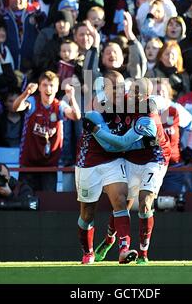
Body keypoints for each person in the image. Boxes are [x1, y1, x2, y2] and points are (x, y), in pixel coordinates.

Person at [86, 77, 171, 264]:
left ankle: (143, 254)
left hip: (154, 159)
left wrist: (97, 131)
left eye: (137, 93)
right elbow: (101, 101)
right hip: (132, 158)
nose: (132, 95)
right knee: (122, 202)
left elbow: (123, 143)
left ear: (147, 97)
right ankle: (109, 240)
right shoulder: (124, 100)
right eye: (131, 90)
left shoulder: (147, 118)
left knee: (145, 204)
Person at [76, 70, 138, 265]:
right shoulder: (94, 110)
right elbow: (110, 145)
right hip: (90, 163)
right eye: (115, 88)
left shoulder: (129, 104)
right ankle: (88, 252)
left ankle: (123, 250)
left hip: (114, 161)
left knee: (121, 200)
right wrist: (131, 140)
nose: (120, 91)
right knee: (87, 213)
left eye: (122, 87)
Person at [13, 70, 81, 192]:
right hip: (28, 163)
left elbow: (76, 116)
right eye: (44, 85)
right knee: (24, 202)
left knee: (47, 205)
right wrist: (26, 93)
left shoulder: (60, 105)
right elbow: (16, 107)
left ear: (56, 89)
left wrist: (72, 98)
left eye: (52, 85)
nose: (48, 89)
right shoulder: (33, 102)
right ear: (39, 87)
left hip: (50, 165)